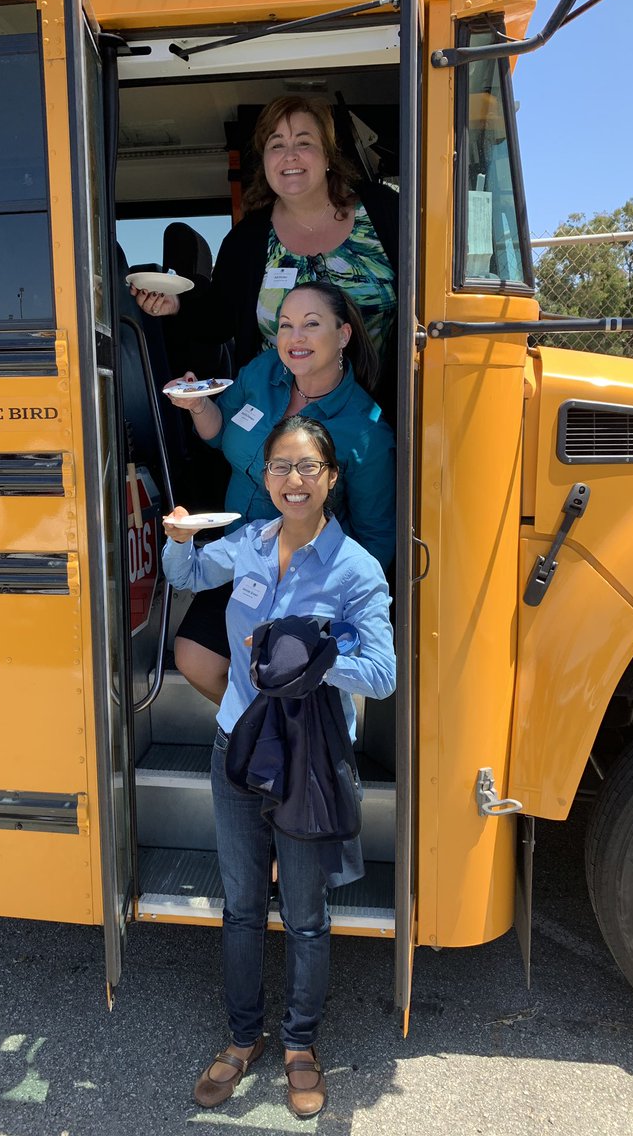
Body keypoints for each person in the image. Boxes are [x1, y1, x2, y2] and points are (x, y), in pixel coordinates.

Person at [162, 415, 397, 1119]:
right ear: (264, 479)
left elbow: (381, 673)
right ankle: (242, 1040)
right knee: (239, 907)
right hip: (235, 744)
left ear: (330, 479)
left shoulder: (355, 567)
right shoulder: (252, 543)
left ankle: (299, 1045)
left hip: (307, 762)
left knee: (304, 916)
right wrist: (178, 542)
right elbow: (191, 573)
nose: (292, 481)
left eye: (306, 469)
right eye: (279, 469)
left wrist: (316, 664)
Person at [165, 280, 395, 704]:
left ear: (343, 335)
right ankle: (260, 726)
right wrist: (199, 406)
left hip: (308, 573)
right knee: (195, 658)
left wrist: (332, 599)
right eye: (286, 325)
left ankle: (289, 734)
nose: (295, 338)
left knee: (284, 662)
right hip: (243, 551)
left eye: (311, 324)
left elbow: (376, 538)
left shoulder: (367, 433)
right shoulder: (263, 371)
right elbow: (220, 437)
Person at [130, 94, 399, 377]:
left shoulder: (382, 211)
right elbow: (218, 320)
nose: (289, 155)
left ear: (328, 155)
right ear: (266, 160)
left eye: (304, 142)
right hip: (277, 414)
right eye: (277, 144)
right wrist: (175, 304)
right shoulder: (247, 239)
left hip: (381, 412)